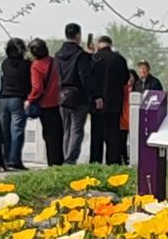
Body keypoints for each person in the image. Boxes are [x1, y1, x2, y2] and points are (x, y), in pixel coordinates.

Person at [55, 23, 97, 164]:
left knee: (66, 129)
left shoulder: (58, 54)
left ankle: (65, 156)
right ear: (78, 35)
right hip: (78, 95)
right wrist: (92, 94)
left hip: (62, 95)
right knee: (77, 129)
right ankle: (70, 159)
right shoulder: (81, 55)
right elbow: (85, 76)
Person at [91, 35, 130, 164]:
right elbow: (125, 79)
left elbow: (88, 79)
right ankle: (113, 162)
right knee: (113, 135)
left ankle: (95, 162)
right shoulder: (119, 59)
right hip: (114, 102)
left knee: (97, 135)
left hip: (97, 102)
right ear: (110, 44)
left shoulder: (94, 58)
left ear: (98, 44)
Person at [0, 37, 32, 171]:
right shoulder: (26, 64)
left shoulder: (4, 63)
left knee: (4, 130)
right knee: (17, 130)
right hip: (17, 98)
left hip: (3, 98)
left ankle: (4, 158)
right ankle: (15, 159)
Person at [27, 38, 62, 164]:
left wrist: (30, 99)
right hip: (57, 102)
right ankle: (59, 161)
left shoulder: (36, 66)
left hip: (44, 104)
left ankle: (52, 162)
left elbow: (37, 87)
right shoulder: (55, 62)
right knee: (57, 134)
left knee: (48, 135)